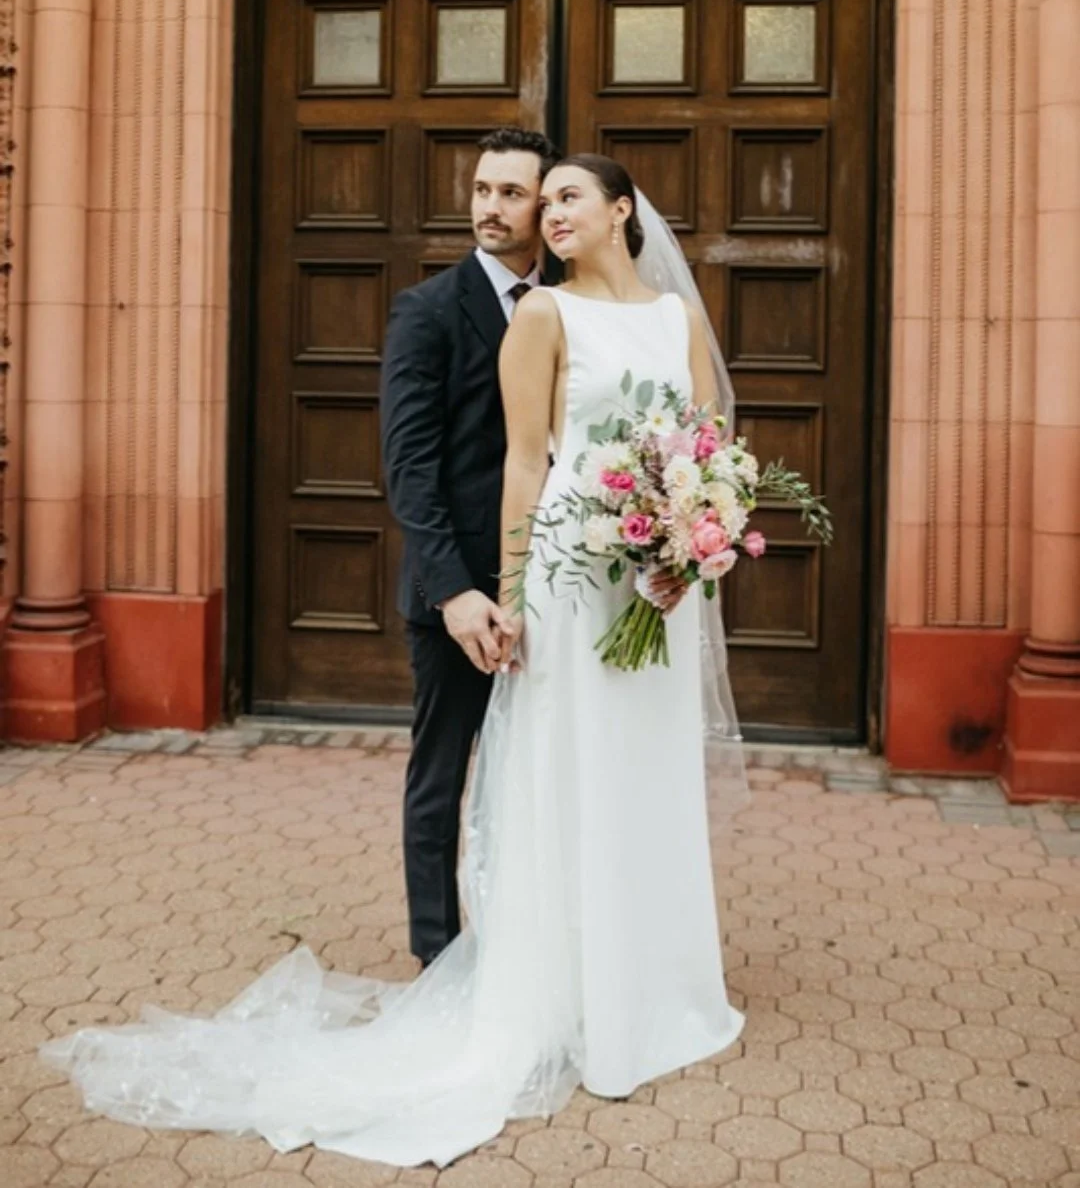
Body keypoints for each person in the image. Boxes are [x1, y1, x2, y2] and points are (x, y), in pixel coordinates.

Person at [40, 155, 748, 1170]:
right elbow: (489, 462)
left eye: (555, 196)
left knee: (644, 775)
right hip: (533, 574)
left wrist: (691, 542)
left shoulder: (674, 319)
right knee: (496, 772)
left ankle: (651, 982)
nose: (533, 212)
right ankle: (476, 967)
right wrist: (492, 591)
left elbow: (699, 440)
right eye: (516, 196)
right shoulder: (500, 316)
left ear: (622, 211)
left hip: (650, 585)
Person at [379, 126, 561, 969]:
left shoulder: (575, 304)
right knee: (442, 775)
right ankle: (436, 954)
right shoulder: (427, 311)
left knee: (545, 774)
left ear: (545, 203)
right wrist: (454, 594)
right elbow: (410, 467)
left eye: (511, 193)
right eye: (483, 189)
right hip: (459, 596)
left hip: (556, 588)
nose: (490, 207)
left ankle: (536, 941)